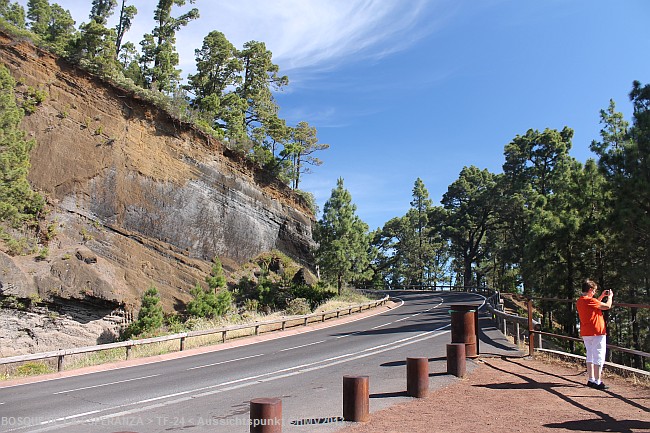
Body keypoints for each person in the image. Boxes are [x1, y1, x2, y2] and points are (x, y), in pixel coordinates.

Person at [576, 279, 613, 390]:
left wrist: (601, 296)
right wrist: (610, 297)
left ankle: (591, 379)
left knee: (590, 354)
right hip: (597, 331)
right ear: (590, 290)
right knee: (599, 355)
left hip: (586, 332)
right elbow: (607, 306)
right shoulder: (589, 300)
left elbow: (594, 304)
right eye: (594, 291)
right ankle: (598, 381)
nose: (595, 293)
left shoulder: (581, 301)